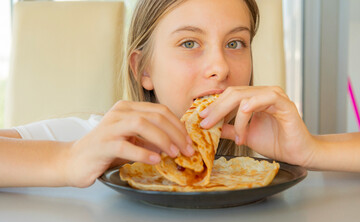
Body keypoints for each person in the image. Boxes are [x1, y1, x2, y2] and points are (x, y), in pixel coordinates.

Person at [0, 0, 359, 188]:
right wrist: (67, 160)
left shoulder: (259, 164)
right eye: (190, 43)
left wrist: (312, 149)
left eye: (235, 43)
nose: (220, 66)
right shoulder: (95, 141)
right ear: (144, 70)